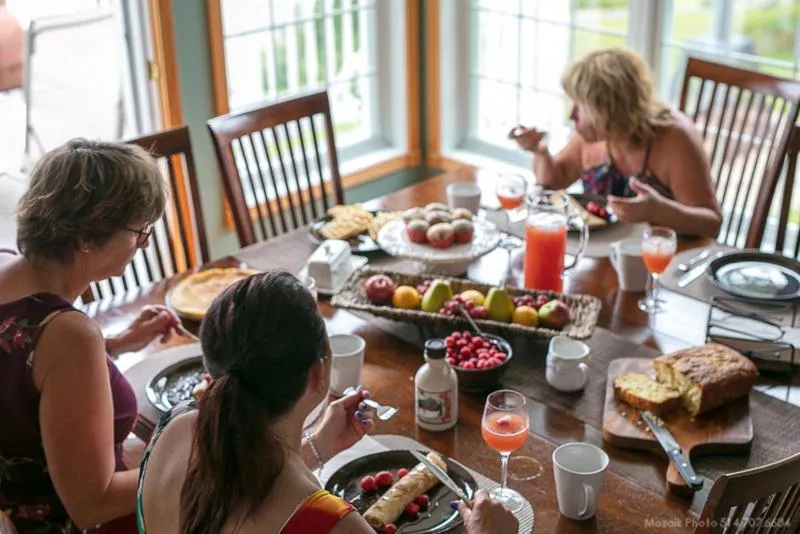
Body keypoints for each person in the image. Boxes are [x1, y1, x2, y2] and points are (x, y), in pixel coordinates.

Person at [138, 271, 518, 534]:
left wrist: (316, 447)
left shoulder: (173, 429)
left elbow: (245, 488)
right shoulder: (332, 524)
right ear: (319, 375)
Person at [0, 139, 183, 533]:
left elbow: (17, 362)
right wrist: (202, 464)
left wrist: (116, 343)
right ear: (86, 238)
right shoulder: (69, 336)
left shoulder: (6, 265)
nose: (144, 242)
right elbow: (92, 504)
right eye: (139, 231)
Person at [510, 47, 722, 238]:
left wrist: (659, 211)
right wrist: (540, 151)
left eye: (581, 106)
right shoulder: (593, 136)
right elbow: (554, 182)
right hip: (602, 255)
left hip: (660, 262)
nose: (572, 115)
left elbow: (711, 224)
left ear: (609, 110)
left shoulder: (674, 139)